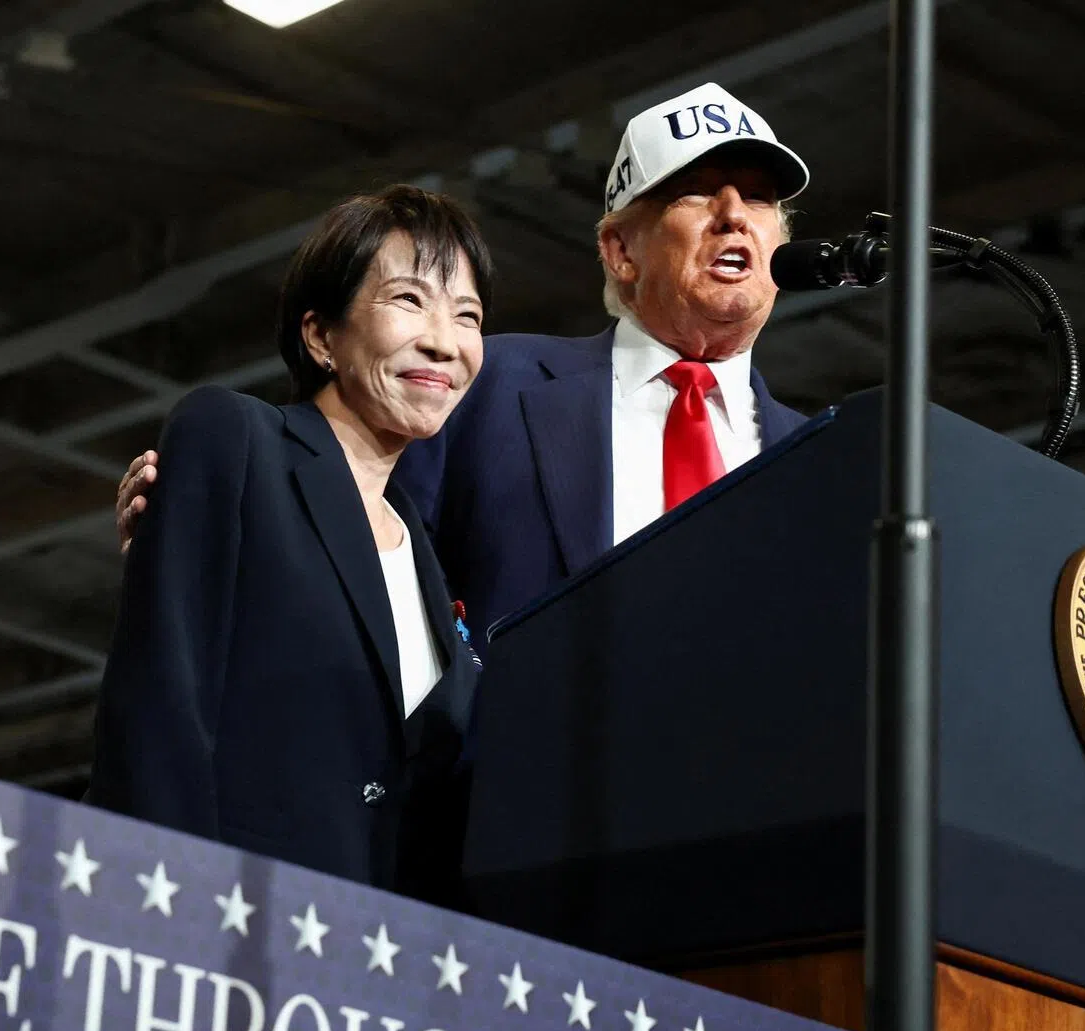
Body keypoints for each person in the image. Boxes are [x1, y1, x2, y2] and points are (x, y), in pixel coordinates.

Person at [116, 82, 811, 652]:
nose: (734, 216)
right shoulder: (489, 384)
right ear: (620, 250)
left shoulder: (821, 457)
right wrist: (211, 556)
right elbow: (352, 570)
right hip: (511, 806)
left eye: (758, 198)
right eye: (696, 191)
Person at [89, 185, 492, 905]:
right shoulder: (236, 441)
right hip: (222, 925)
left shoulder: (425, 551)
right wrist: (155, 913)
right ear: (320, 336)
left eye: (467, 316)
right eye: (410, 301)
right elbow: (158, 709)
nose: (445, 340)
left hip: (377, 966)